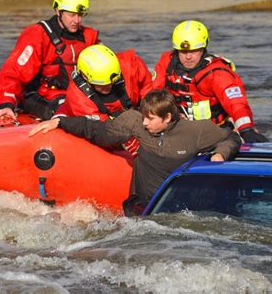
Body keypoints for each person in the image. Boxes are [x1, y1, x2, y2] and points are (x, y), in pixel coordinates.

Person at [29, 89, 241, 216]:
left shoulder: (196, 131)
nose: (144, 123)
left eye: (150, 118)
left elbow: (231, 137)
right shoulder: (134, 122)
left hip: (182, 210)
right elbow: (99, 131)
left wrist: (220, 155)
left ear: (167, 117)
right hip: (141, 211)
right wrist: (61, 121)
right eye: (143, 116)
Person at [152, 20, 268, 143]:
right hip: (178, 128)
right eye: (183, 51)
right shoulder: (167, 63)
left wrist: (246, 129)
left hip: (216, 131)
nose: (188, 57)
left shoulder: (218, 73)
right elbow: (151, 94)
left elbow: (237, 104)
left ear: (203, 48)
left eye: (194, 51)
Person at [0, 0, 100, 120]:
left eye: (80, 15)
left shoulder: (89, 37)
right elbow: (13, 72)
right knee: (67, 108)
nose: (77, 20)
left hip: (79, 96)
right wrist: (7, 105)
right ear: (58, 11)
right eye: (71, 15)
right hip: (44, 97)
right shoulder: (38, 35)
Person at [54, 44, 153, 120]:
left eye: (112, 82)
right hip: (105, 123)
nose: (108, 87)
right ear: (85, 77)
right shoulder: (78, 99)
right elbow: (98, 130)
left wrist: (149, 111)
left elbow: (148, 88)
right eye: (102, 84)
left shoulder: (131, 65)